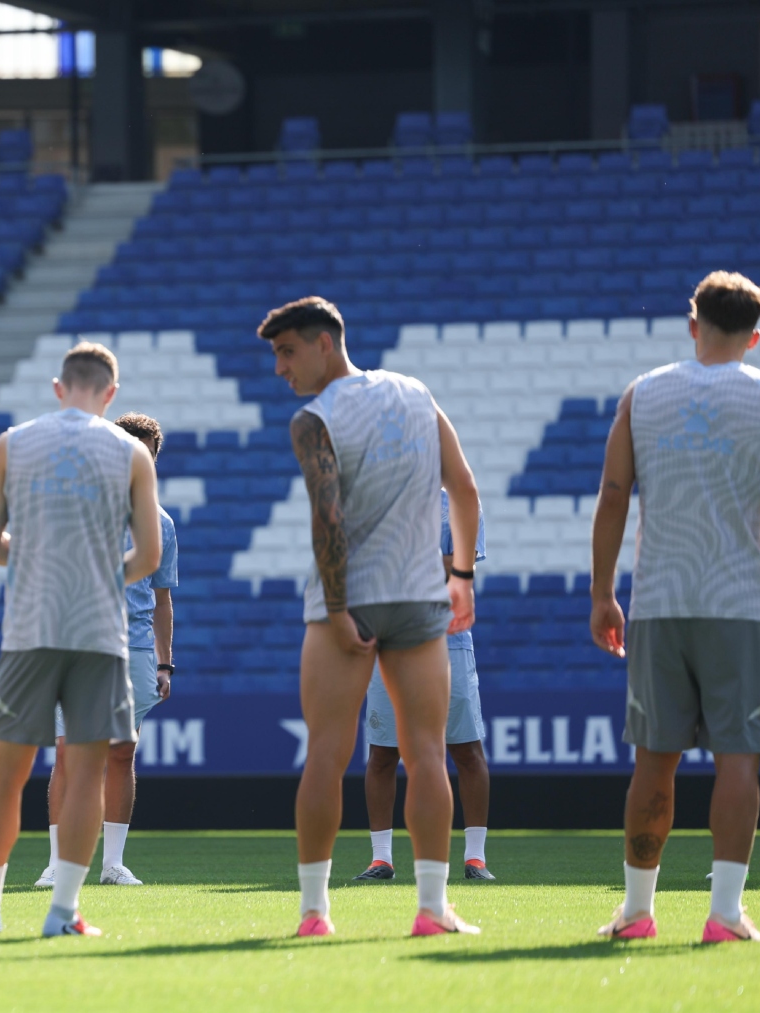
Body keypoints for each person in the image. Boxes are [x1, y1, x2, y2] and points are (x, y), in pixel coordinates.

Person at [264, 297, 482, 939]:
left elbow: (327, 516)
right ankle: (433, 909)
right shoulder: (417, 393)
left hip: (348, 599)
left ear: (324, 344)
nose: (280, 368)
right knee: (427, 755)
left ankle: (314, 913)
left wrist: (335, 609)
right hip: (418, 595)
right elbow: (464, 487)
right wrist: (462, 575)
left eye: (287, 351)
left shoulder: (313, 418)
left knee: (326, 756)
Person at [591, 271, 760, 944]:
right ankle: (725, 915)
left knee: (655, 757)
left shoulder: (642, 395)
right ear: (755, 335)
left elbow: (614, 495)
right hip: (741, 605)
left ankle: (637, 911)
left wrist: (602, 594)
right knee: (740, 758)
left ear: (692, 324)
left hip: (659, 602)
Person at [0, 342, 162, 938]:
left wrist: (38, 560)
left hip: (29, 629)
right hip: (99, 632)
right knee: (86, 773)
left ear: (57, 387)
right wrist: (100, 571)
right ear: (110, 394)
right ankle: (64, 914)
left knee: (7, 773)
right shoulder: (131, 454)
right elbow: (147, 556)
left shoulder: (11, 444)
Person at [36, 411, 178, 889]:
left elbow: (161, 600)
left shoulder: (160, 522)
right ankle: (58, 862)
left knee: (121, 754)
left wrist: (164, 662)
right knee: (67, 755)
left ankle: (112, 863)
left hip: (133, 648)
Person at [355, 490, 494, 883]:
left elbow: (461, 570)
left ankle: (476, 858)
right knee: (383, 752)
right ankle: (381, 858)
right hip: (389, 639)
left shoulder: (461, 502)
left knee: (466, 749)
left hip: (449, 637)